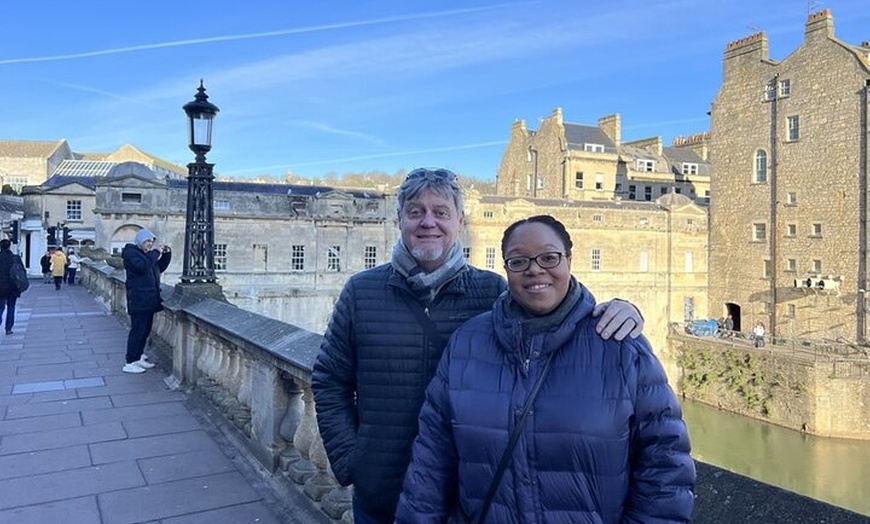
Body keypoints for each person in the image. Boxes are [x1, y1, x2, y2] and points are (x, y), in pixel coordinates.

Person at [312, 168, 646, 524]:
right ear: (399, 220)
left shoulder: (494, 293)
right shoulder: (361, 292)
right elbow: (329, 379)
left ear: (459, 221)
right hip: (381, 493)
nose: (428, 222)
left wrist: (619, 308)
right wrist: (352, 460)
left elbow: (557, 318)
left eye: (441, 212)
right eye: (416, 211)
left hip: (469, 497)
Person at [395, 215, 695, 523]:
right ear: (506, 269)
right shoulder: (466, 344)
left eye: (549, 257)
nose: (535, 269)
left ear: (569, 259)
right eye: (518, 261)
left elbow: (666, 464)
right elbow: (431, 460)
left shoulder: (620, 344)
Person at [121, 228, 171, 374]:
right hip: (139, 300)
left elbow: (158, 268)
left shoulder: (146, 255)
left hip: (148, 300)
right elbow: (142, 267)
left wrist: (166, 255)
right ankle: (129, 362)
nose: (150, 244)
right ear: (140, 241)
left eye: (151, 241)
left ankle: (137, 357)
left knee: (145, 331)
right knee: (137, 331)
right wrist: (155, 253)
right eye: (147, 241)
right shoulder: (131, 254)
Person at [0, 239, 22, 335]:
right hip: (13, 286)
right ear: (9, 246)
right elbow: (22, 272)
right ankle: (8, 328)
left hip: (0, 286)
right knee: (11, 307)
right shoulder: (15, 258)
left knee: (0, 307)